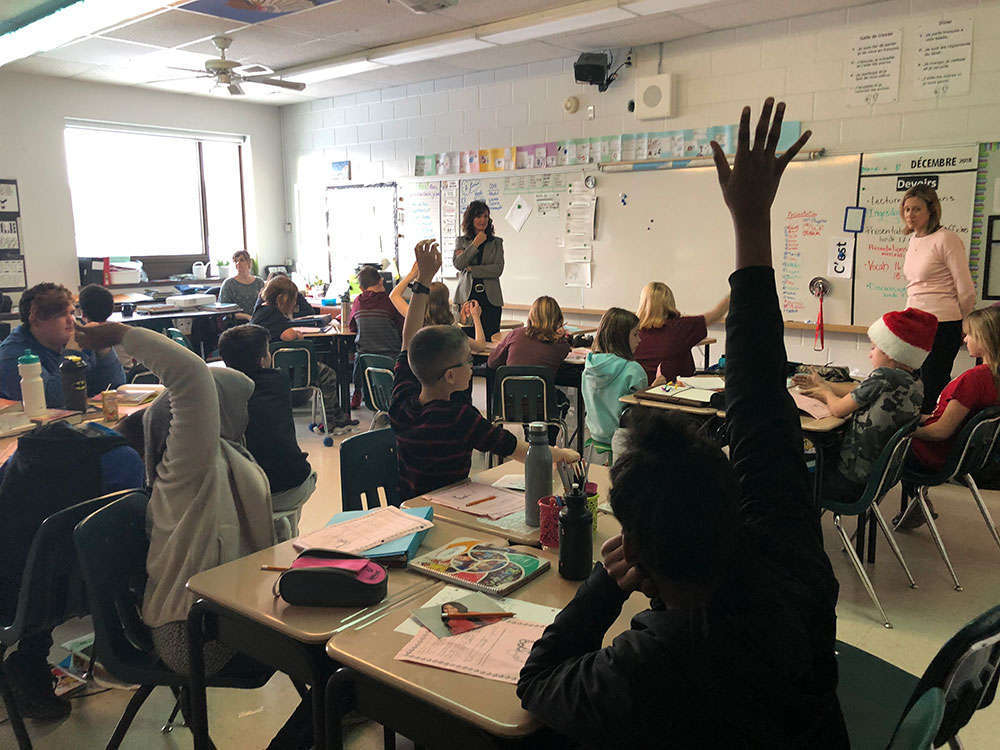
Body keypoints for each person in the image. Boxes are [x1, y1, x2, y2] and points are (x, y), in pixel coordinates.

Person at [517, 98, 848, 747]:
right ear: (730, 503)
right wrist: (753, 223)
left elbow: (538, 680)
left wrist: (603, 588)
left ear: (637, 557)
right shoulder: (786, 560)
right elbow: (759, 407)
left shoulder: (649, 665)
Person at [74, 321, 274, 676]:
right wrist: (122, 334)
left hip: (219, 611)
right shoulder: (189, 466)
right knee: (335, 653)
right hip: (192, 633)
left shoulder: (222, 456)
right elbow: (192, 377)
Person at [389, 240, 577, 501]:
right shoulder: (460, 417)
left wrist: (423, 280)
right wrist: (564, 454)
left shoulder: (402, 404)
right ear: (451, 376)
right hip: (453, 507)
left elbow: (408, 342)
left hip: (410, 506)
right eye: (466, 362)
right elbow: (521, 451)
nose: (471, 366)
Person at [0, 420, 143, 720]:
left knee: (33, 561)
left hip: (13, 594)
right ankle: (30, 663)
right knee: (51, 565)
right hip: (78, 594)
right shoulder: (125, 462)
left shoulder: (20, 456)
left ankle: (28, 665)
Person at [795, 307, 936, 503]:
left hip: (849, 480)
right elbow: (858, 391)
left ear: (891, 353)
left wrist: (825, 393)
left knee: (789, 472)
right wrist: (824, 384)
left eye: (874, 348)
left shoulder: (884, 376)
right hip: (878, 478)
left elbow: (838, 409)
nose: (870, 354)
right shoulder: (913, 382)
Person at [897, 306, 1000, 529]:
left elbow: (940, 431)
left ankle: (853, 502)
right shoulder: (993, 378)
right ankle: (917, 502)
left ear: (987, 338)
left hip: (934, 454)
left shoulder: (974, 379)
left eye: (970, 334)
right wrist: (920, 418)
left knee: (873, 442)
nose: (964, 340)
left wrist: (902, 429)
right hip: (963, 458)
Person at [219, 324, 316, 541]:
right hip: (291, 483)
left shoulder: (222, 391)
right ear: (264, 359)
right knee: (295, 484)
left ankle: (275, 539)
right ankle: (287, 538)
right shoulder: (279, 380)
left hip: (244, 493)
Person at [900, 184, 976, 413]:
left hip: (942, 324)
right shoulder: (913, 240)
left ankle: (931, 439)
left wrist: (965, 323)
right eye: (906, 209)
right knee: (913, 385)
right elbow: (914, 287)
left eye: (916, 209)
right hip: (915, 323)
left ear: (931, 210)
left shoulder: (947, 239)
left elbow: (965, 288)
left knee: (932, 386)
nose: (910, 215)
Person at [251, 275, 352, 433]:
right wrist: (297, 334)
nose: (294, 304)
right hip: (286, 370)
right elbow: (287, 335)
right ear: (282, 299)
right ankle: (331, 419)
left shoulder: (260, 310)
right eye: (292, 300)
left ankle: (337, 416)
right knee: (328, 374)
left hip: (271, 368)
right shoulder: (273, 314)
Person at [0, 282, 125, 407]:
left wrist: (104, 352)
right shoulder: (13, 355)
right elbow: (51, 402)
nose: (71, 320)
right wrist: (72, 356)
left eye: (71, 313)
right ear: (35, 320)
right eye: (61, 315)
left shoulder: (77, 333)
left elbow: (115, 387)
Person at [488, 296, 572, 445]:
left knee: (525, 397)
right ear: (558, 318)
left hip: (508, 404)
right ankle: (546, 444)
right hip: (542, 406)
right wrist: (564, 338)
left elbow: (492, 362)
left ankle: (532, 437)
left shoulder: (515, 334)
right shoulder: (561, 345)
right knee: (562, 401)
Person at [633, 282, 729, 383]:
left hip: (639, 392)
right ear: (669, 302)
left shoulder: (632, 331)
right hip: (675, 390)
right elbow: (716, 314)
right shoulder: (681, 327)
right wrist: (733, 293)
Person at [581, 307, 650, 448]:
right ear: (621, 338)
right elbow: (644, 409)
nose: (640, 340)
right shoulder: (633, 370)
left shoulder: (589, 366)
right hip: (624, 438)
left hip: (596, 433)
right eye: (635, 334)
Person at [348, 264, 411, 408]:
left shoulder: (357, 301)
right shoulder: (391, 301)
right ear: (381, 281)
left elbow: (352, 327)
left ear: (362, 287)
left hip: (366, 359)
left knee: (358, 355)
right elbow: (403, 327)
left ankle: (357, 394)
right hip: (392, 357)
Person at [454, 200, 504, 341]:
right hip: (467, 297)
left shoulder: (496, 242)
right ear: (471, 219)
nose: (483, 220)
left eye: (486, 216)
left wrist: (472, 269)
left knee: (490, 339)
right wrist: (475, 243)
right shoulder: (461, 241)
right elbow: (459, 263)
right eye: (478, 216)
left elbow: (497, 269)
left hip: (490, 300)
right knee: (468, 341)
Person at [424, 283, 488, 354]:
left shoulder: (418, 326)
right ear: (445, 303)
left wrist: (462, 322)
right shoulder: (449, 331)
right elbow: (480, 346)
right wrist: (476, 317)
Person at [219, 249, 265, 320]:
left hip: (258, 320)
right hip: (237, 321)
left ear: (249, 262)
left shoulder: (259, 282)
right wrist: (247, 317)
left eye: (242, 260)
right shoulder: (228, 283)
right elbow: (225, 310)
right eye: (236, 261)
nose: (238, 263)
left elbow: (265, 303)